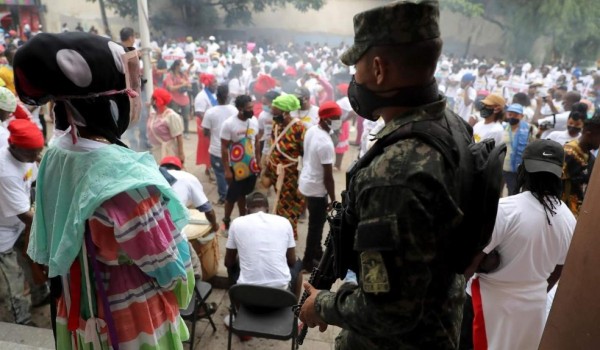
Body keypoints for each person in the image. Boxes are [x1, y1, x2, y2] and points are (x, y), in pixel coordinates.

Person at [299, 2, 467, 348]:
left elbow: (389, 311)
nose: (353, 79)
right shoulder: (454, 127)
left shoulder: (395, 172)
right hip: (442, 322)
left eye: (356, 66)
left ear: (377, 69)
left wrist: (323, 305)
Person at [16, 32, 193, 348]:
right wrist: (182, 282)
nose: (134, 95)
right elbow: (167, 264)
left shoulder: (55, 155)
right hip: (126, 316)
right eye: (130, 88)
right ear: (110, 102)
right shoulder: (126, 184)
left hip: (78, 301)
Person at [468, 140, 575, 350]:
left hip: (491, 305)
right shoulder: (569, 219)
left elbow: (472, 262)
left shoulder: (506, 209)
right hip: (534, 307)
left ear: (522, 169)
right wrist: (534, 288)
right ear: (558, 175)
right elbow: (559, 269)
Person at [0, 119, 44, 326]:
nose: (36, 157)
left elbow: (33, 184)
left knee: (31, 259)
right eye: (32, 153)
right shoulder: (5, 171)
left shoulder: (25, 156)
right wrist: (50, 224)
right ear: (13, 146)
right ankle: (21, 322)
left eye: (38, 151)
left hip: (17, 223)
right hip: (3, 233)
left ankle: (39, 295)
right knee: (12, 282)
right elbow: (24, 214)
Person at [224, 191, 303, 297]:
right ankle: (294, 309)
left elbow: (228, 262)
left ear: (247, 210)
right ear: (267, 209)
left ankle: (237, 306)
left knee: (231, 265)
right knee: (298, 264)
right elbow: (292, 261)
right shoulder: (284, 222)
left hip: (247, 294)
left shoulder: (237, 223)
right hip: (280, 294)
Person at [299, 101, 339, 272]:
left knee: (316, 223)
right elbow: (328, 177)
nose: (339, 121)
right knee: (316, 227)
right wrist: (333, 198)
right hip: (317, 188)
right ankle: (308, 262)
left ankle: (317, 253)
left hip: (307, 181)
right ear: (327, 119)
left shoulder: (312, 130)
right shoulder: (325, 144)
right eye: (337, 118)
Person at [265, 94, 306, 239]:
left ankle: (288, 237)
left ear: (286, 112)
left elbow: (304, 153)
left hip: (291, 175)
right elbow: (272, 145)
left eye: (276, 113)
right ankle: (278, 232)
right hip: (275, 171)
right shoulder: (276, 125)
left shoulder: (299, 128)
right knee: (277, 202)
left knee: (288, 206)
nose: (273, 115)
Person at [220, 95, 260, 236]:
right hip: (235, 168)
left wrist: (258, 162)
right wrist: (227, 170)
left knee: (245, 195)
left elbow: (257, 141)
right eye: (249, 108)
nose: (252, 110)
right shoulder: (229, 124)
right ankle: (226, 222)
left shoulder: (254, 121)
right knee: (231, 197)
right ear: (240, 109)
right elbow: (224, 147)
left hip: (251, 166)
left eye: (252, 107)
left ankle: (243, 221)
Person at [202, 84, 237, 205]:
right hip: (233, 150)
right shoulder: (234, 110)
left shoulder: (210, 112)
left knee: (220, 174)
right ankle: (234, 195)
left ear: (217, 96)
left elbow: (205, 131)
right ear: (228, 96)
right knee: (233, 172)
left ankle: (223, 197)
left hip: (216, 149)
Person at [562, 111, 600, 217]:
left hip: (576, 213)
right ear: (589, 134)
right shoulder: (569, 153)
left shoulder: (589, 156)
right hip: (563, 212)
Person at [503, 103, 535, 195]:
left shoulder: (529, 129)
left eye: (516, 115)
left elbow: (535, 142)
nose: (512, 117)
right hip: (506, 167)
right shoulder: (503, 128)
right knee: (511, 190)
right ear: (506, 114)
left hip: (522, 167)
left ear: (521, 116)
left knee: (518, 191)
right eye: (510, 114)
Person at [147, 87, 186, 163]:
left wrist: (181, 154)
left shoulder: (172, 116)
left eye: (152, 99)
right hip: (155, 151)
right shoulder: (153, 114)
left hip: (168, 152)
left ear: (156, 101)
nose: (151, 102)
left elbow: (179, 137)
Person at [195, 73, 218, 179]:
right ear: (208, 84)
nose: (216, 85)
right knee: (208, 148)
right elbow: (200, 113)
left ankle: (209, 169)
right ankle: (211, 171)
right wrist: (209, 126)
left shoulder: (212, 94)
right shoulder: (201, 96)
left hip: (212, 125)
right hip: (205, 126)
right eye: (214, 82)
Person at [164, 59, 192, 134]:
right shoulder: (170, 75)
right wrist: (182, 84)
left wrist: (186, 84)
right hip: (174, 99)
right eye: (181, 65)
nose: (182, 67)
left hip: (185, 99)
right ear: (177, 66)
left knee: (186, 117)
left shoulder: (183, 75)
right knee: (174, 117)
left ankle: (186, 132)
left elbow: (189, 85)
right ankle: (174, 132)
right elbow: (170, 88)